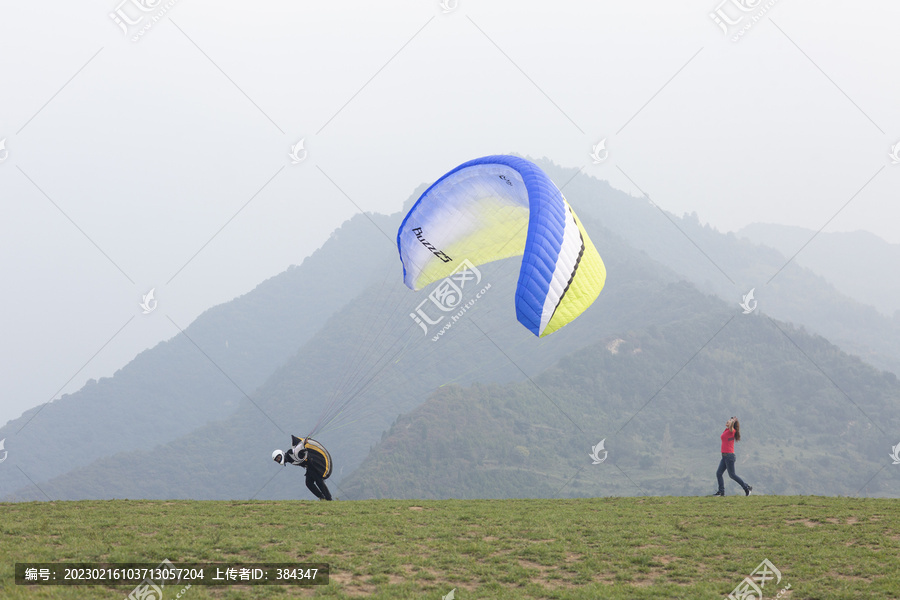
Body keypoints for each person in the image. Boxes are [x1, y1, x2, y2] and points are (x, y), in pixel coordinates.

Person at [273, 436, 333, 501]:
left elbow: (298, 448)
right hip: (309, 467)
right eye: (277, 460)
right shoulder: (289, 459)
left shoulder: (291, 454)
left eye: (278, 458)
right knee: (309, 483)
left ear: (281, 454)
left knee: (318, 481)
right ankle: (322, 498)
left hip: (313, 464)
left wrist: (304, 442)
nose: (279, 460)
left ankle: (328, 498)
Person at [713, 416, 752, 496]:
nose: (728, 421)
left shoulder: (732, 431)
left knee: (732, 475)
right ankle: (721, 492)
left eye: (730, 420)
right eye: (728, 420)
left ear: (732, 424)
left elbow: (731, 428)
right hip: (724, 456)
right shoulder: (726, 430)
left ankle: (746, 488)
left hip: (729, 456)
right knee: (719, 473)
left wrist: (733, 422)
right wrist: (732, 422)